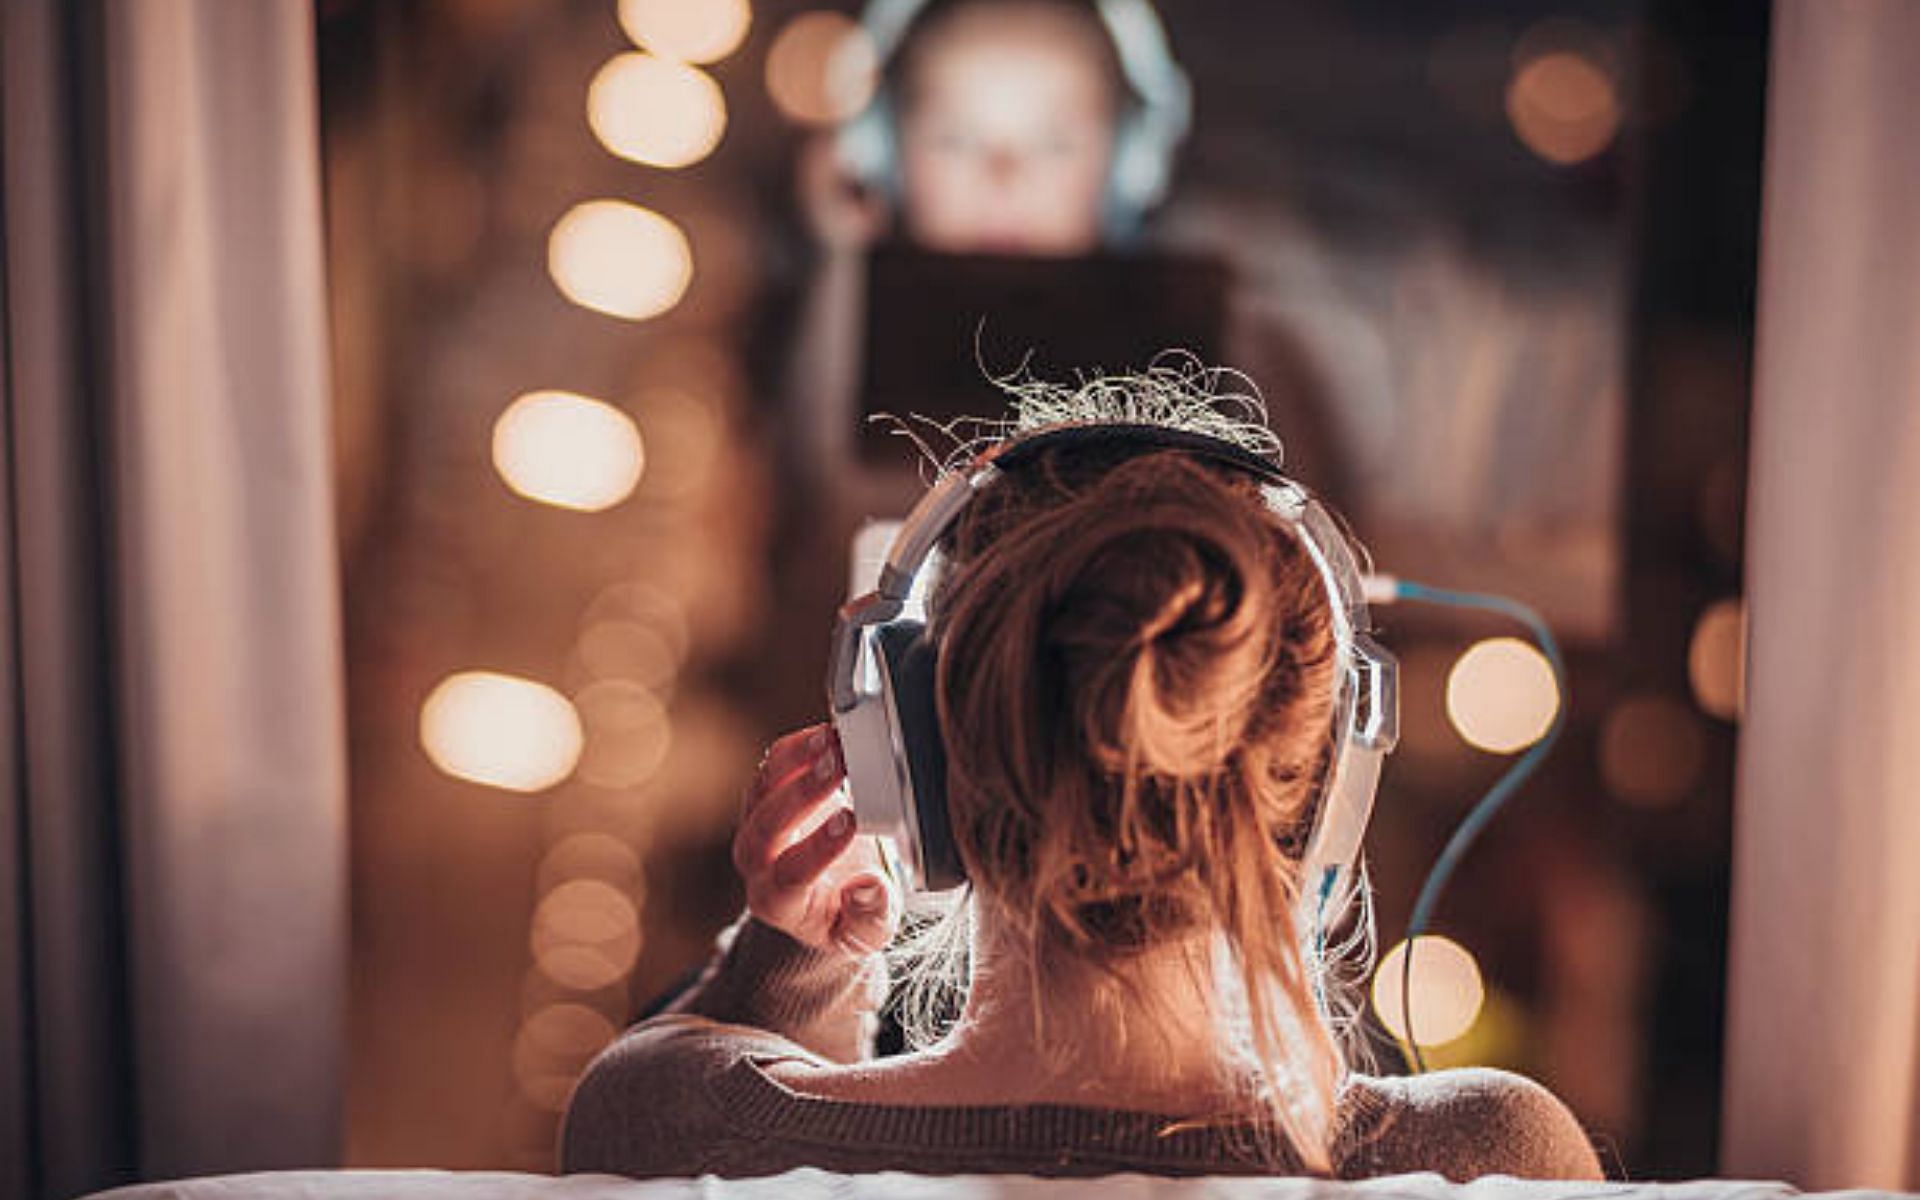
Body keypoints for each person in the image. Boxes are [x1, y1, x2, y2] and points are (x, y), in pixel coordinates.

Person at [560, 376, 1605, 1181]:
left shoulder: (671, 1124)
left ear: (912, 768)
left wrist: (791, 969)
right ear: (1322, 796)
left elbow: (706, 1116)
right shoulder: (1488, 1162)